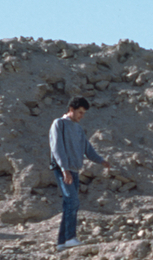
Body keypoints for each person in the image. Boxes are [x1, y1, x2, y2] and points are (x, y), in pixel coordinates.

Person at [48, 97, 114, 249]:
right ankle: (70, 238)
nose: (81, 116)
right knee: (72, 201)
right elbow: (56, 148)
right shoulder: (59, 124)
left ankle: (62, 242)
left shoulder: (78, 129)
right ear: (71, 109)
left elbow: (87, 149)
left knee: (69, 204)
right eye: (80, 112)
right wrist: (65, 170)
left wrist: (101, 161)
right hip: (62, 169)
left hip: (74, 170)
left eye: (83, 113)